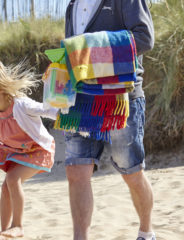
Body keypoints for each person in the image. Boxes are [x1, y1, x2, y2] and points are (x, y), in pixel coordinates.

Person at [63, 0, 155, 240]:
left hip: (120, 96)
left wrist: (89, 48)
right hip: (80, 98)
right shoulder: (72, 5)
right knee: (76, 170)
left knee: (131, 172)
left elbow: (144, 38)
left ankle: (146, 231)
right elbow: (72, 54)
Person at [0, 60, 58, 239]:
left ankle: (18, 226)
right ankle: (5, 230)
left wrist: (63, 112)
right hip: (17, 152)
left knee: (12, 178)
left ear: (1, 87)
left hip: (38, 150)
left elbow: (45, 110)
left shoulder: (21, 105)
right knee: (5, 188)